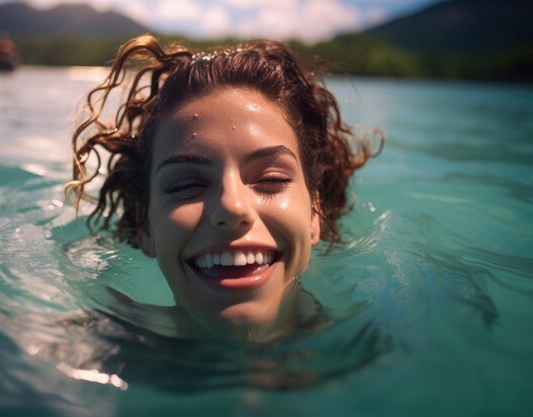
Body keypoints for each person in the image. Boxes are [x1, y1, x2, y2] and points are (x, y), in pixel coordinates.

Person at [67, 34, 381, 343]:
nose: (233, 207)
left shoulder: (386, 349)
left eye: (271, 179)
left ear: (314, 213)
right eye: (187, 184)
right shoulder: (82, 352)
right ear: (145, 228)